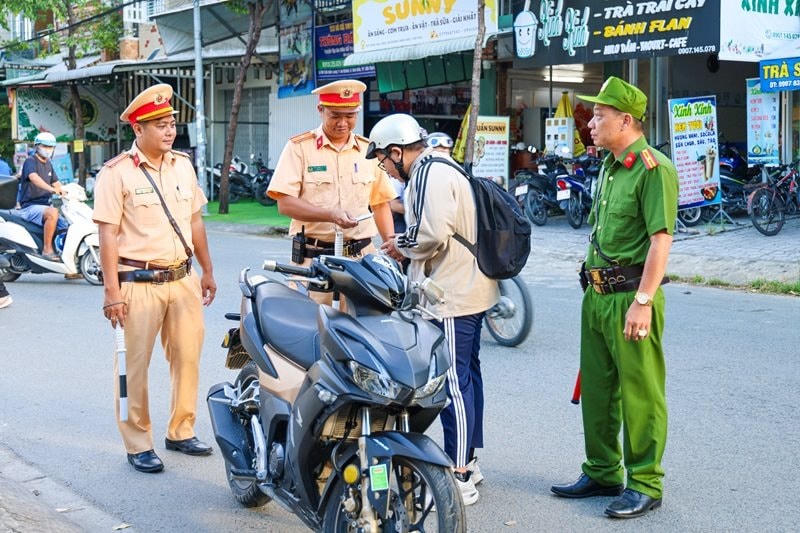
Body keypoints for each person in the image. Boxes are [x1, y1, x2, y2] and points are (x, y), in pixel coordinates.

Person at [550, 76, 678, 519]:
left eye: (599, 116)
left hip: (630, 297)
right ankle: (603, 470)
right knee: (600, 391)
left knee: (640, 392)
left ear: (626, 120)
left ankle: (645, 482)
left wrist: (644, 301)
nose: (590, 123)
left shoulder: (652, 168)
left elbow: (661, 240)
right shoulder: (608, 165)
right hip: (598, 296)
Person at [369, 114, 499, 506]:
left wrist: (399, 244)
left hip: (452, 293)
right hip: (470, 288)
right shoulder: (443, 164)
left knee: (453, 383)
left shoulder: (428, 173)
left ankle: (459, 472)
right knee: (468, 378)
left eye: (384, 161)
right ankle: (469, 460)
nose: (386, 170)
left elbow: (432, 233)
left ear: (397, 152)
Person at [92, 83, 217, 474]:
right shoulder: (115, 174)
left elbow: (195, 222)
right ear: (138, 129)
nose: (169, 131)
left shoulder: (183, 165)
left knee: (188, 357)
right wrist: (112, 292)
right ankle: (138, 441)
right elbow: (107, 235)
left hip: (182, 279)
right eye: (159, 124)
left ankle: (181, 429)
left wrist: (207, 270)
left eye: (171, 123)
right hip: (137, 283)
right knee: (135, 366)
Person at [266, 79, 396, 306]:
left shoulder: (368, 151)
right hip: (314, 262)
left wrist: (391, 243)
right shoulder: (299, 148)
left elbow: (380, 203)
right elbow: (285, 203)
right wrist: (329, 214)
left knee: (361, 333)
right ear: (320, 110)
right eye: (335, 115)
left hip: (362, 263)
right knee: (311, 331)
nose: (343, 123)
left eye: (350, 115)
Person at [16, 132, 68, 260]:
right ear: (37, 147)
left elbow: (56, 183)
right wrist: (52, 190)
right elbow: (34, 178)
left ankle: (67, 258)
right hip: (29, 207)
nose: (48, 149)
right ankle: (47, 250)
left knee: (66, 225)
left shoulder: (49, 164)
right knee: (53, 212)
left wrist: (66, 191)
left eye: (50, 147)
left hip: (44, 206)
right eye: (45, 146)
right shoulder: (30, 161)